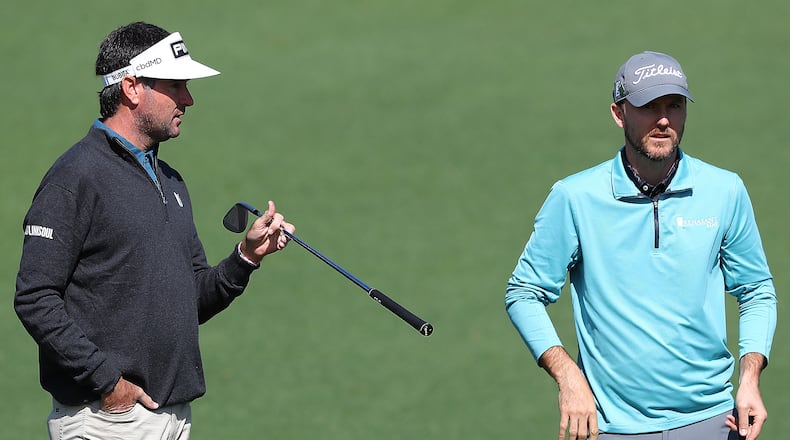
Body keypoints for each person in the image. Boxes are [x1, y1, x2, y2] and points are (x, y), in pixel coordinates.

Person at [14, 21, 295, 440]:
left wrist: (246, 257)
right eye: (176, 86)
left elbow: (190, 299)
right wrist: (107, 383)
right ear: (132, 88)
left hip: (173, 418)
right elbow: (34, 297)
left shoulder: (171, 181)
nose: (189, 99)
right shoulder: (75, 178)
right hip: (108, 420)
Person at [505, 51, 776, 440]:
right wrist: (568, 376)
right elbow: (524, 293)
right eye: (649, 106)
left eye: (675, 105)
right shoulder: (575, 197)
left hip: (714, 421)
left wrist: (750, 377)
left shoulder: (725, 190)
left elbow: (756, 290)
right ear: (619, 114)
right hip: (612, 427)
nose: (664, 119)